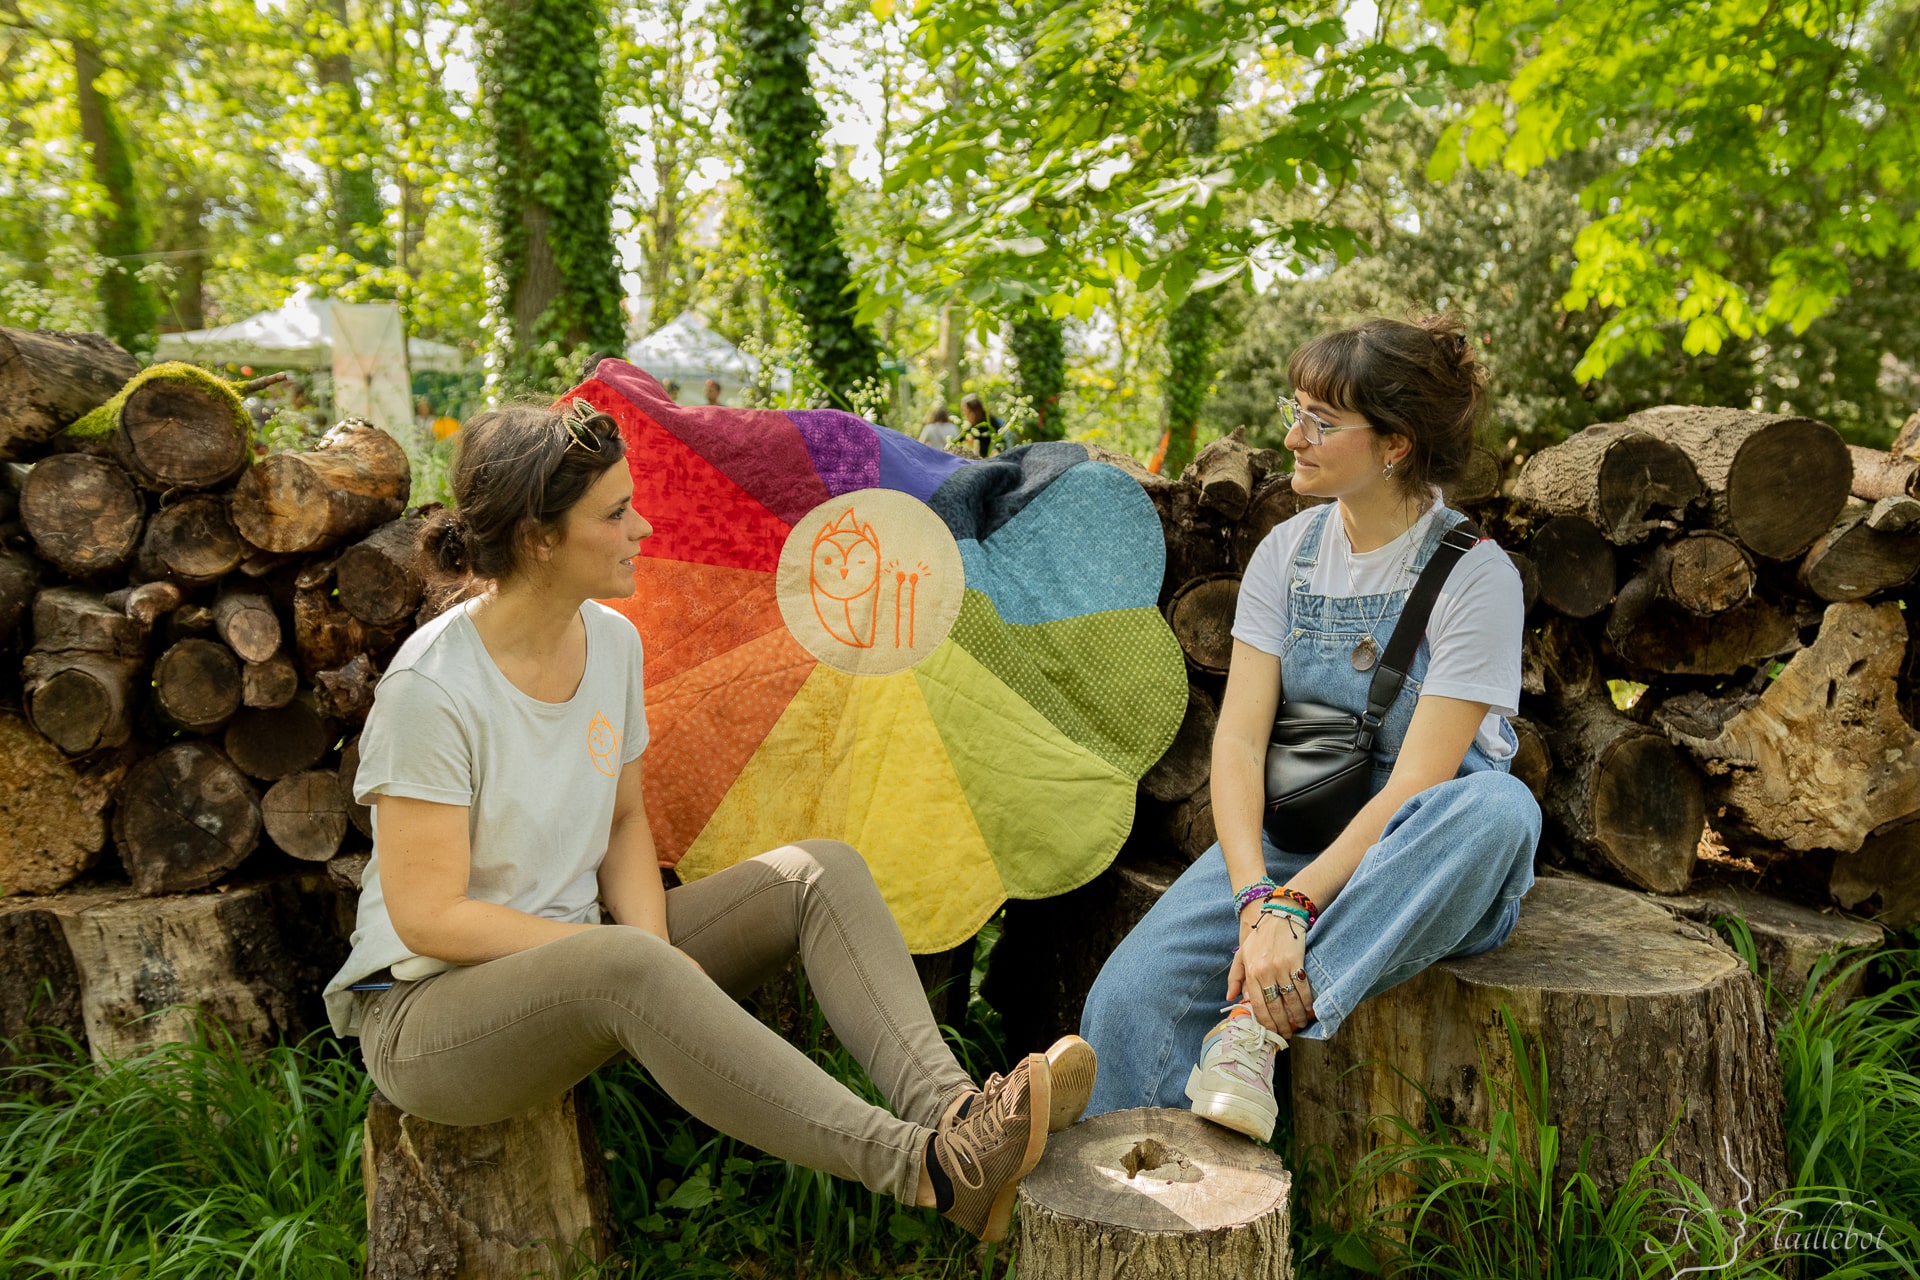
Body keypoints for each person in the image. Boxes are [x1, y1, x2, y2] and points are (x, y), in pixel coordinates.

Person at [322, 401, 1096, 1242]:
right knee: (619, 960)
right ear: (540, 540)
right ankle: (926, 1172)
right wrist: (626, 960)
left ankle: (960, 1118)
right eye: (615, 513)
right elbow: (428, 916)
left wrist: (648, 952)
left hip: (587, 960)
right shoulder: (431, 690)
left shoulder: (610, 642)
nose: (642, 527)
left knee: (819, 872)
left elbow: (622, 822)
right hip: (428, 1018)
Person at [1079, 315, 1540, 1143]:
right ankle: (1141, 1217)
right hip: (1294, 840)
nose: (1293, 436)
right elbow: (1240, 743)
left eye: (1322, 423)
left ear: (1395, 445)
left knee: (1503, 809)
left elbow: (1417, 785)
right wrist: (1258, 895)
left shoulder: (1478, 575)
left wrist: (1294, 909)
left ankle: (1252, 1027)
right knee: (1127, 999)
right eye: (1295, 410)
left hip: (1422, 861)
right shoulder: (1286, 554)